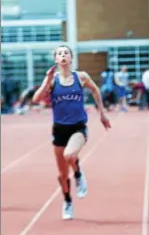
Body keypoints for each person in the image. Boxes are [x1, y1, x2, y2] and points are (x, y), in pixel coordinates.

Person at [33, 45, 111, 220]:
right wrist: (47, 79)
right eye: (59, 53)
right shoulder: (52, 81)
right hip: (59, 129)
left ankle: (78, 174)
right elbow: (36, 99)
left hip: (78, 127)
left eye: (65, 53)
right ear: (55, 59)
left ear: (71, 58)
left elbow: (95, 90)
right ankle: (67, 201)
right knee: (61, 174)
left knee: (70, 155)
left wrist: (102, 114)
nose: (62, 55)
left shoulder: (81, 77)